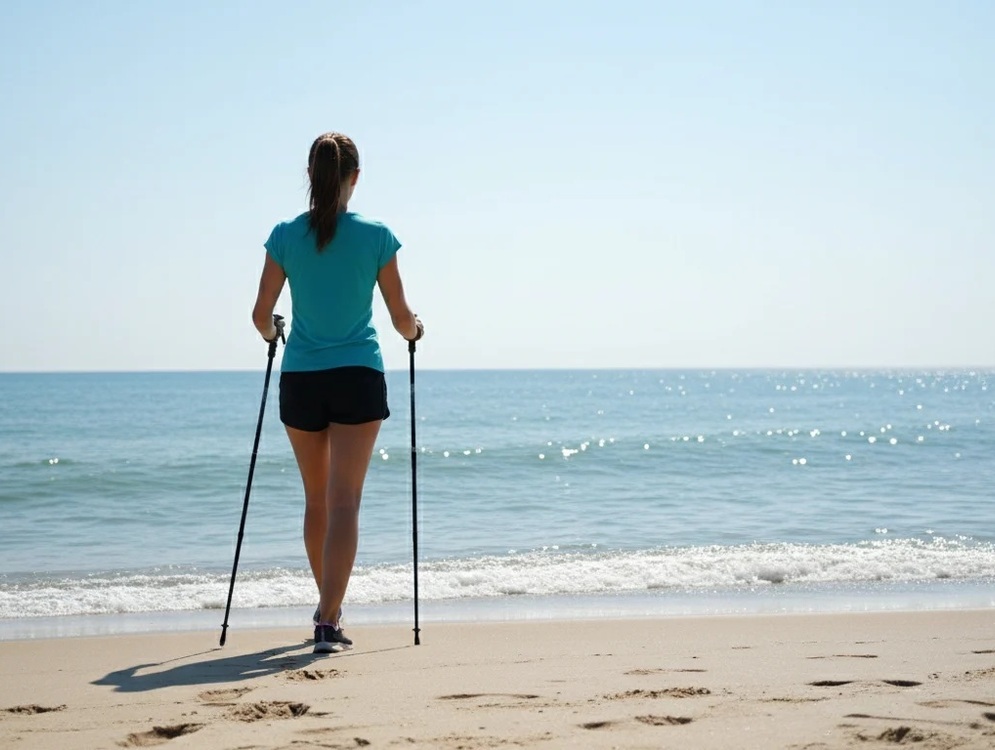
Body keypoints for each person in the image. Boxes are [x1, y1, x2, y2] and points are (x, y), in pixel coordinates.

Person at [252, 132, 423, 654]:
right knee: (345, 500)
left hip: (302, 378)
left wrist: (274, 332)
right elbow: (401, 319)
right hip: (357, 375)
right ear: (355, 177)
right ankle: (327, 619)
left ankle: (328, 607)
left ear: (311, 175)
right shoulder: (376, 236)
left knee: (317, 499)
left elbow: (260, 317)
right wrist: (417, 330)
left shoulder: (285, 236)